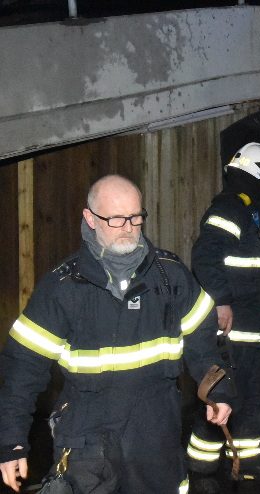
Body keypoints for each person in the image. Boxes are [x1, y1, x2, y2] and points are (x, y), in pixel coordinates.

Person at [0, 175, 232, 494]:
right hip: (85, 440)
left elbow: (204, 346)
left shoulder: (171, 276)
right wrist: (11, 441)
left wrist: (217, 390)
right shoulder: (62, 289)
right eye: (117, 218)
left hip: (156, 437)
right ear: (90, 219)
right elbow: (22, 368)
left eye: (136, 217)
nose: (129, 227)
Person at [186, 142, 260, 490]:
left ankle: (226, 464)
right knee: (239, 397)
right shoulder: (229, 208)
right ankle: (212, 468)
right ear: (256, 175)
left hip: (249, 325)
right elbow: (205, 257)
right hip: (235, 327)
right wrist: (222, 301)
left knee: (241, 397)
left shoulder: (246, 210)